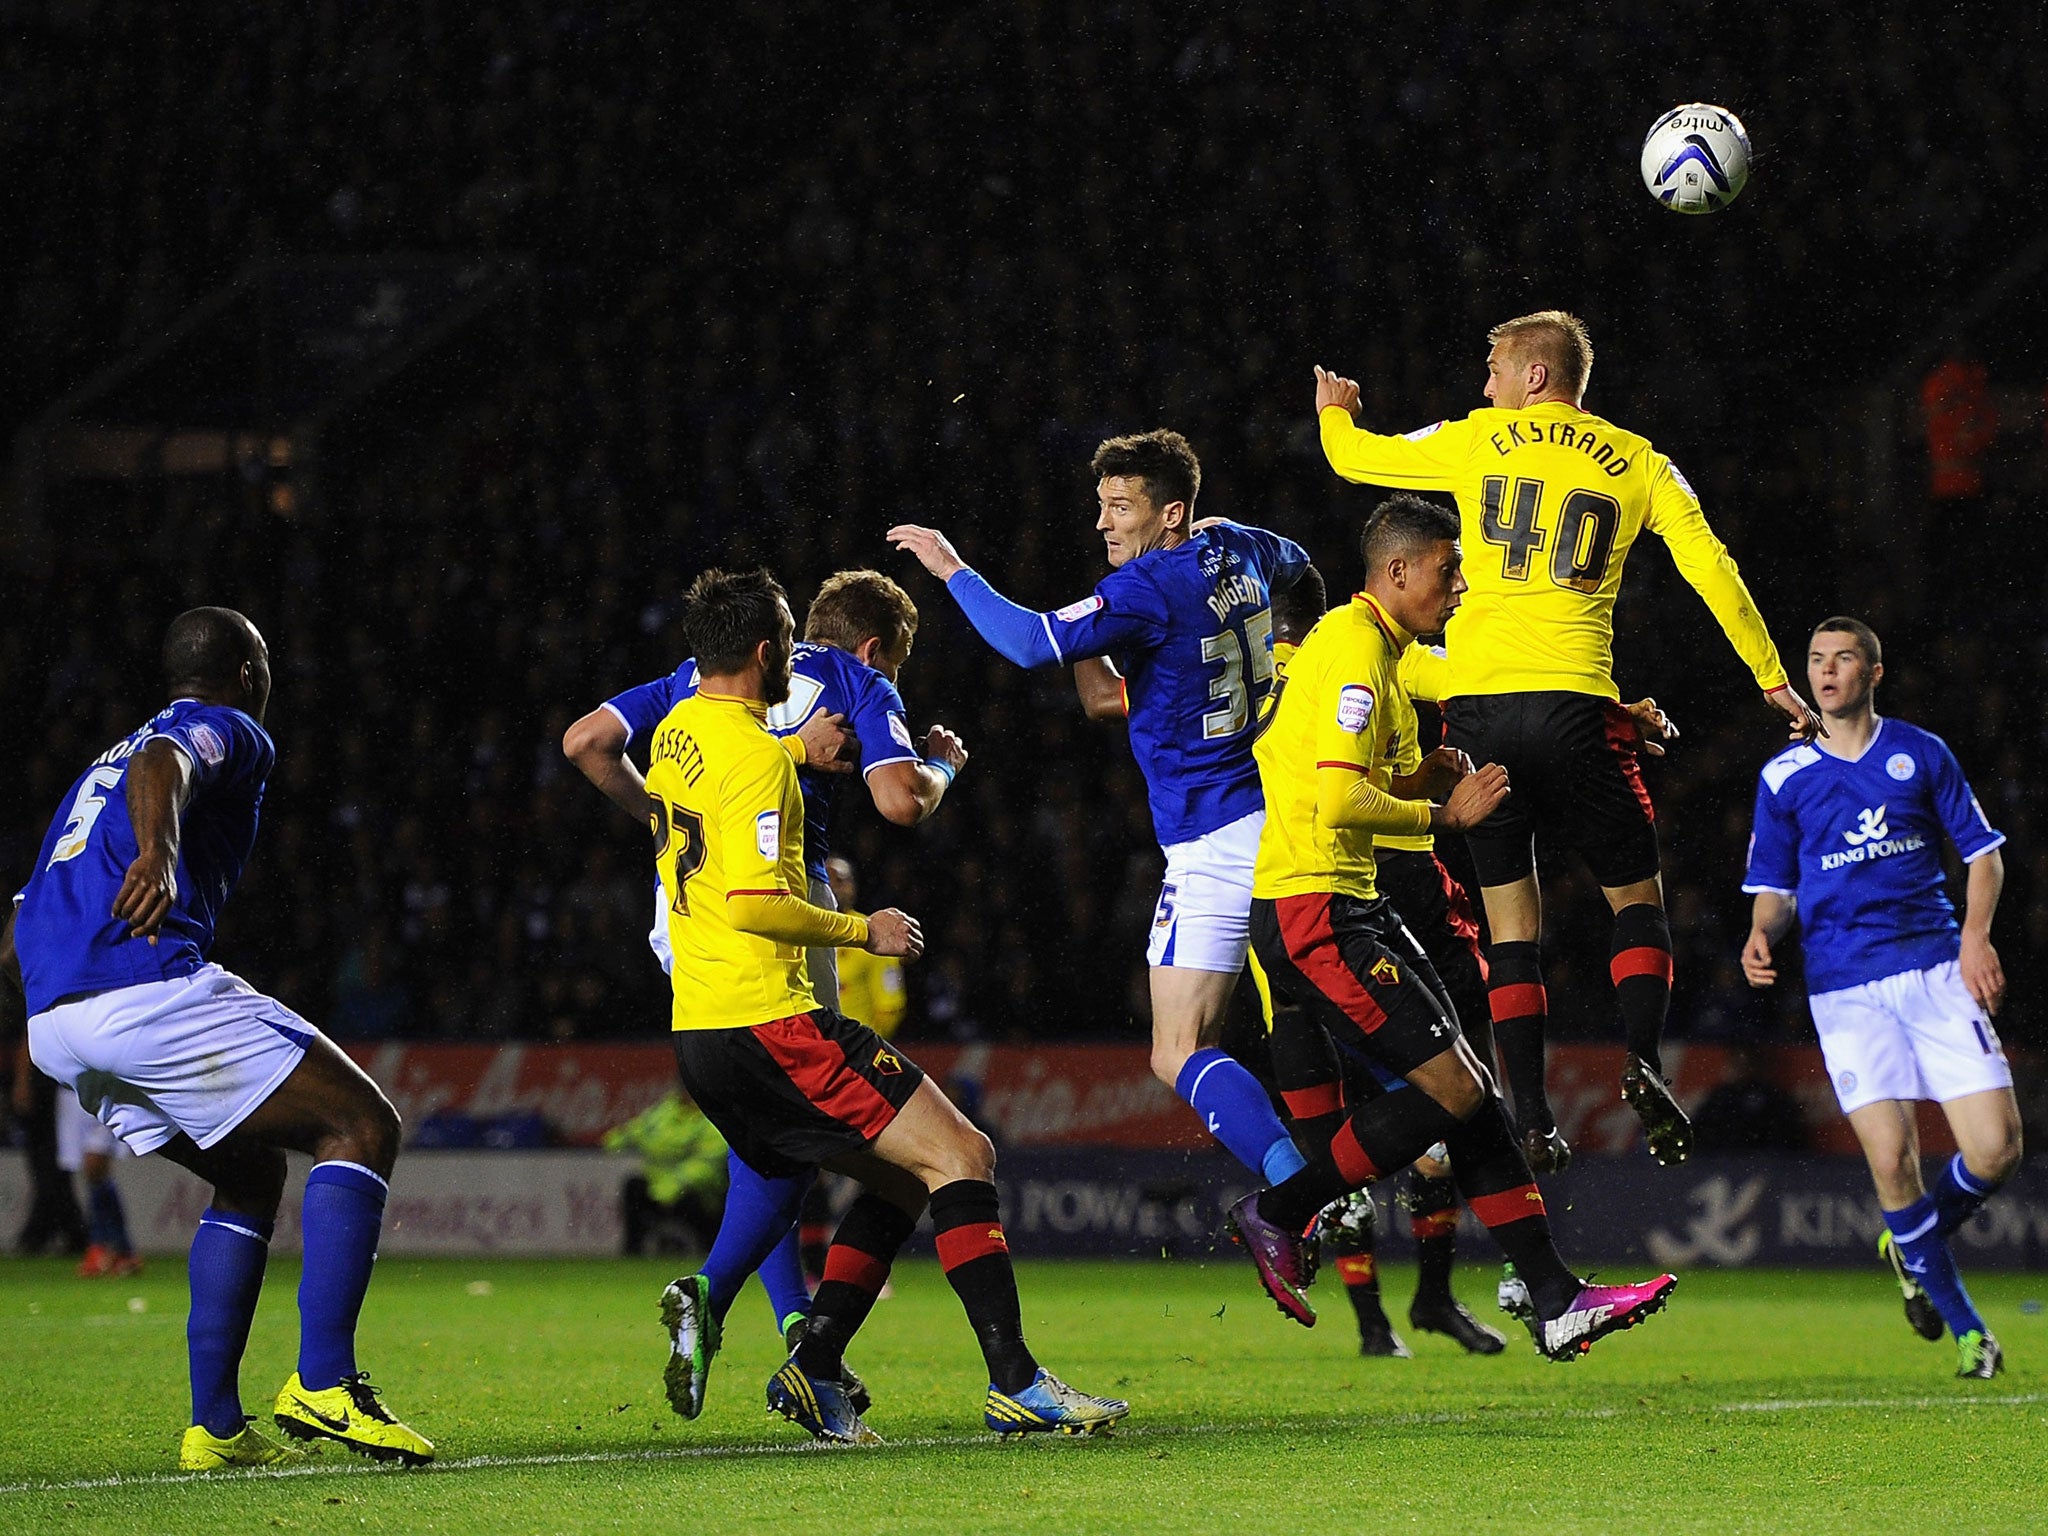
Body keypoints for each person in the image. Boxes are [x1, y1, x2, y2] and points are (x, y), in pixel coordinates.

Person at [1313, 312, 1819, 1172]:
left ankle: (1534, 1114)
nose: (1485, 387)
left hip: (1478, 716)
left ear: (1536, 379)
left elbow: (1357, 460)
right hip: (1580, 712)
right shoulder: (1642, 462)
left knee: (1512, 928)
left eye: (1495, 369)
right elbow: (1715, 569)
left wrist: (1335, 412)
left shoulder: (1480, 441)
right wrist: (1769, 675)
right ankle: (1642, 1060)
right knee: (1637, 903)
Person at [644, 567, 1126, 1442]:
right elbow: (757, 899)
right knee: (964, 1153)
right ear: (765, 652)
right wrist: (864, 929)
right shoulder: (761, 754)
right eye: (790, 646)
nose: (803, 660)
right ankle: (1015, 1382)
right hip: (771, 1021)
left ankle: (814, 1361)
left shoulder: (678, 731)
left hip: (701, 1026)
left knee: (903, 1177)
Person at [1228, 496, 1676, 1360]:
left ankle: (1553, 1297)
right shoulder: (1358, 653)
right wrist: (1444, 812)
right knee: (1455, 1091)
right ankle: (1281, 1209)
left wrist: (1418, 770)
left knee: (1468, 1091)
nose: (1461, 586)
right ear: (1396, 573)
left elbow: (1362, 769)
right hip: (1315, 909)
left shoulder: (1380, 653)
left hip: (1345, 901)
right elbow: (1333, 800)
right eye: (1448, 569)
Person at [5, 608, 430, 1469]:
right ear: (245, 672)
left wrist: (60, 1009)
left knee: (248, 1174)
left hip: (55, 1018)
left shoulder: (100, 765)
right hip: (141, 991)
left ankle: (217, 1427)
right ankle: (325, 1383)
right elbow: (172, 763)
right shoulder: (225, 728)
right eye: (265, 662)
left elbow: (14, 934)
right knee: (363, 1124)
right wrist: (158, 854)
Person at [564, 569, 962, 1418]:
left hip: (682, 910)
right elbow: (900, 801)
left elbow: (585, 743)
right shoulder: (855, 678)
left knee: (769, 1118)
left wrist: (665, 820)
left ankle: (790, 1327)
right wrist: (940, 766)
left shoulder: (690, 678)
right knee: (802, 1111)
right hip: (774, 904)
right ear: (875, 645)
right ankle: (770, 1325)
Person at [889, 429, 1317, 1198]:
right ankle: (1416, 1145)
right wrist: (1288, 661)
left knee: (1178, 1049)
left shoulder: (1148, 592)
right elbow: (1303, 574)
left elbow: (1026, 644)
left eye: (1121, 506)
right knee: (1306, 1011)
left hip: (1214, 837)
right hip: (1289, 815)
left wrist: (951, 566)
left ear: (1173, 510)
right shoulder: (1243, 546)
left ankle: (1299, 1190)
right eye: (1100, 506)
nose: (1104, 522)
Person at [1742, 617, 2020, 1379]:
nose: (1826, 672)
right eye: (1816, 661)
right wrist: (1761, 933)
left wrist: (1976, 938)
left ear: (1873, 673)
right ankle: (1969, 1332)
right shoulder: (1783, 778)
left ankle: (1911, 1241)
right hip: (1845, 988)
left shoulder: (1920, 753)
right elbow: (1775, 888)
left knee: (1996, 1147)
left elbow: (1983, 856)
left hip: (1934, 968)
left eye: (1843, 660)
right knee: (1894, 1158)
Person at [58, 1088, 143, 1276]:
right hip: (70, 1091)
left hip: (104, 1089)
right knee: (93, 1174)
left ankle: (100, 1245)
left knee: (94, 1165)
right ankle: (122, 1249)